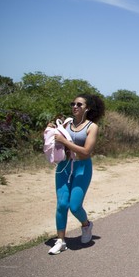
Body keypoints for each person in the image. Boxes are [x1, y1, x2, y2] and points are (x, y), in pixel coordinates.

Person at [47, 93, 105, 255]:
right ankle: (61, 241)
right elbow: (53, 142)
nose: (75, 106)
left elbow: (86, 152)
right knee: (62, 204)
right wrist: (49, 132)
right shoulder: (66, 123)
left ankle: (86, 225)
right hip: (64, 167)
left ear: (88, 108)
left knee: (74, 206)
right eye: (73, 104)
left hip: (82, 168)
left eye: (79, 104)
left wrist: (65, 141)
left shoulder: (92, 127)